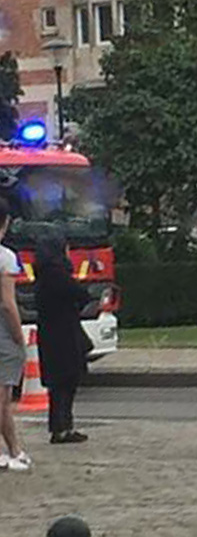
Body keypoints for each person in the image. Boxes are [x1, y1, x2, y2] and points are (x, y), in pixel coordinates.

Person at [36, 232, 92, 444]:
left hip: (49, 335)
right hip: (64, 336)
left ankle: (60, 427)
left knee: (57, 385)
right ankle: (63, 427)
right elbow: (80, 294)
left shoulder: (43, 275)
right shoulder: (57, 275)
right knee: (65, 383)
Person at [0, 198, 29, 470]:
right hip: (1, 335)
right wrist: (19, 337)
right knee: (3, 398)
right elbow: (8, 304)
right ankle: (11, 452)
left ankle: (13, 450)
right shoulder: (6, 257)